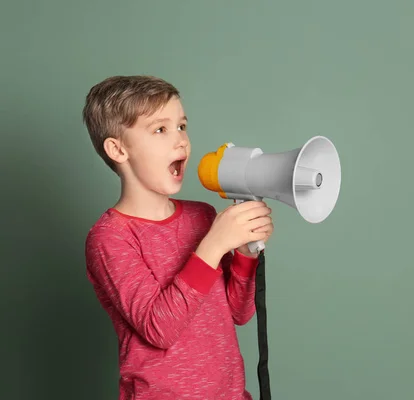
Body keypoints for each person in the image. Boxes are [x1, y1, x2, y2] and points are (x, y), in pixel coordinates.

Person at [82, 75, 273, 400]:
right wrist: (213, 245)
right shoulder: (110, 238)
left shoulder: (201, 216)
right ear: (118, 149)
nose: (181, 141)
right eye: (160, 129)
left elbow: (238, 313)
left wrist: (244, 252)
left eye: (182, 126)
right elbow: (160, 328)